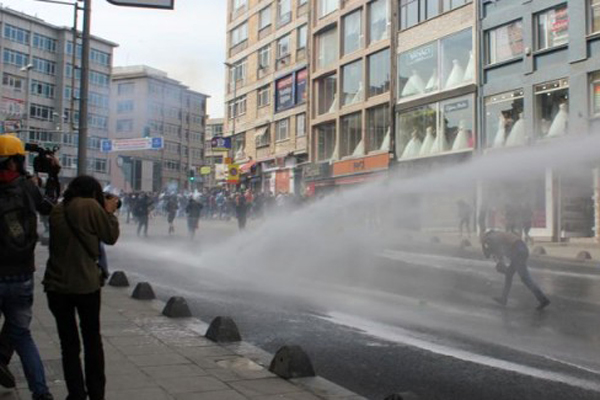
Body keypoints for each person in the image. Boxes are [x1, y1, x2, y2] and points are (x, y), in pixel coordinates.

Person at [43, 175, 120, 400]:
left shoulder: (58, 209)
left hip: (56, 286)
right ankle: (96, 393)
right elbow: (110, 236)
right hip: (85, 286)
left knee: (68, 345)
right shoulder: (88, 206)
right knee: (91, 340)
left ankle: (76, 394)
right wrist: (108, 211)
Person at [0, 134, 54, 399]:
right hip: (21, 273)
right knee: (22, 334)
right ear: (15, 162)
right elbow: (50, 209)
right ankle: (41, 393)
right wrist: (52, 175)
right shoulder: (27, 187)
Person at [481, 230, 550, 310]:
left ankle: (543, 299)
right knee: (509, 275)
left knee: (525, 278)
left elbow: (495, 252)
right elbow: (499, 251)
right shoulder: (497, 235)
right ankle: (504, 298)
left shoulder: (490, 238)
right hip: (521, 249)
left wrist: (499, 262)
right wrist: (500, 262)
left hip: (518, 251)